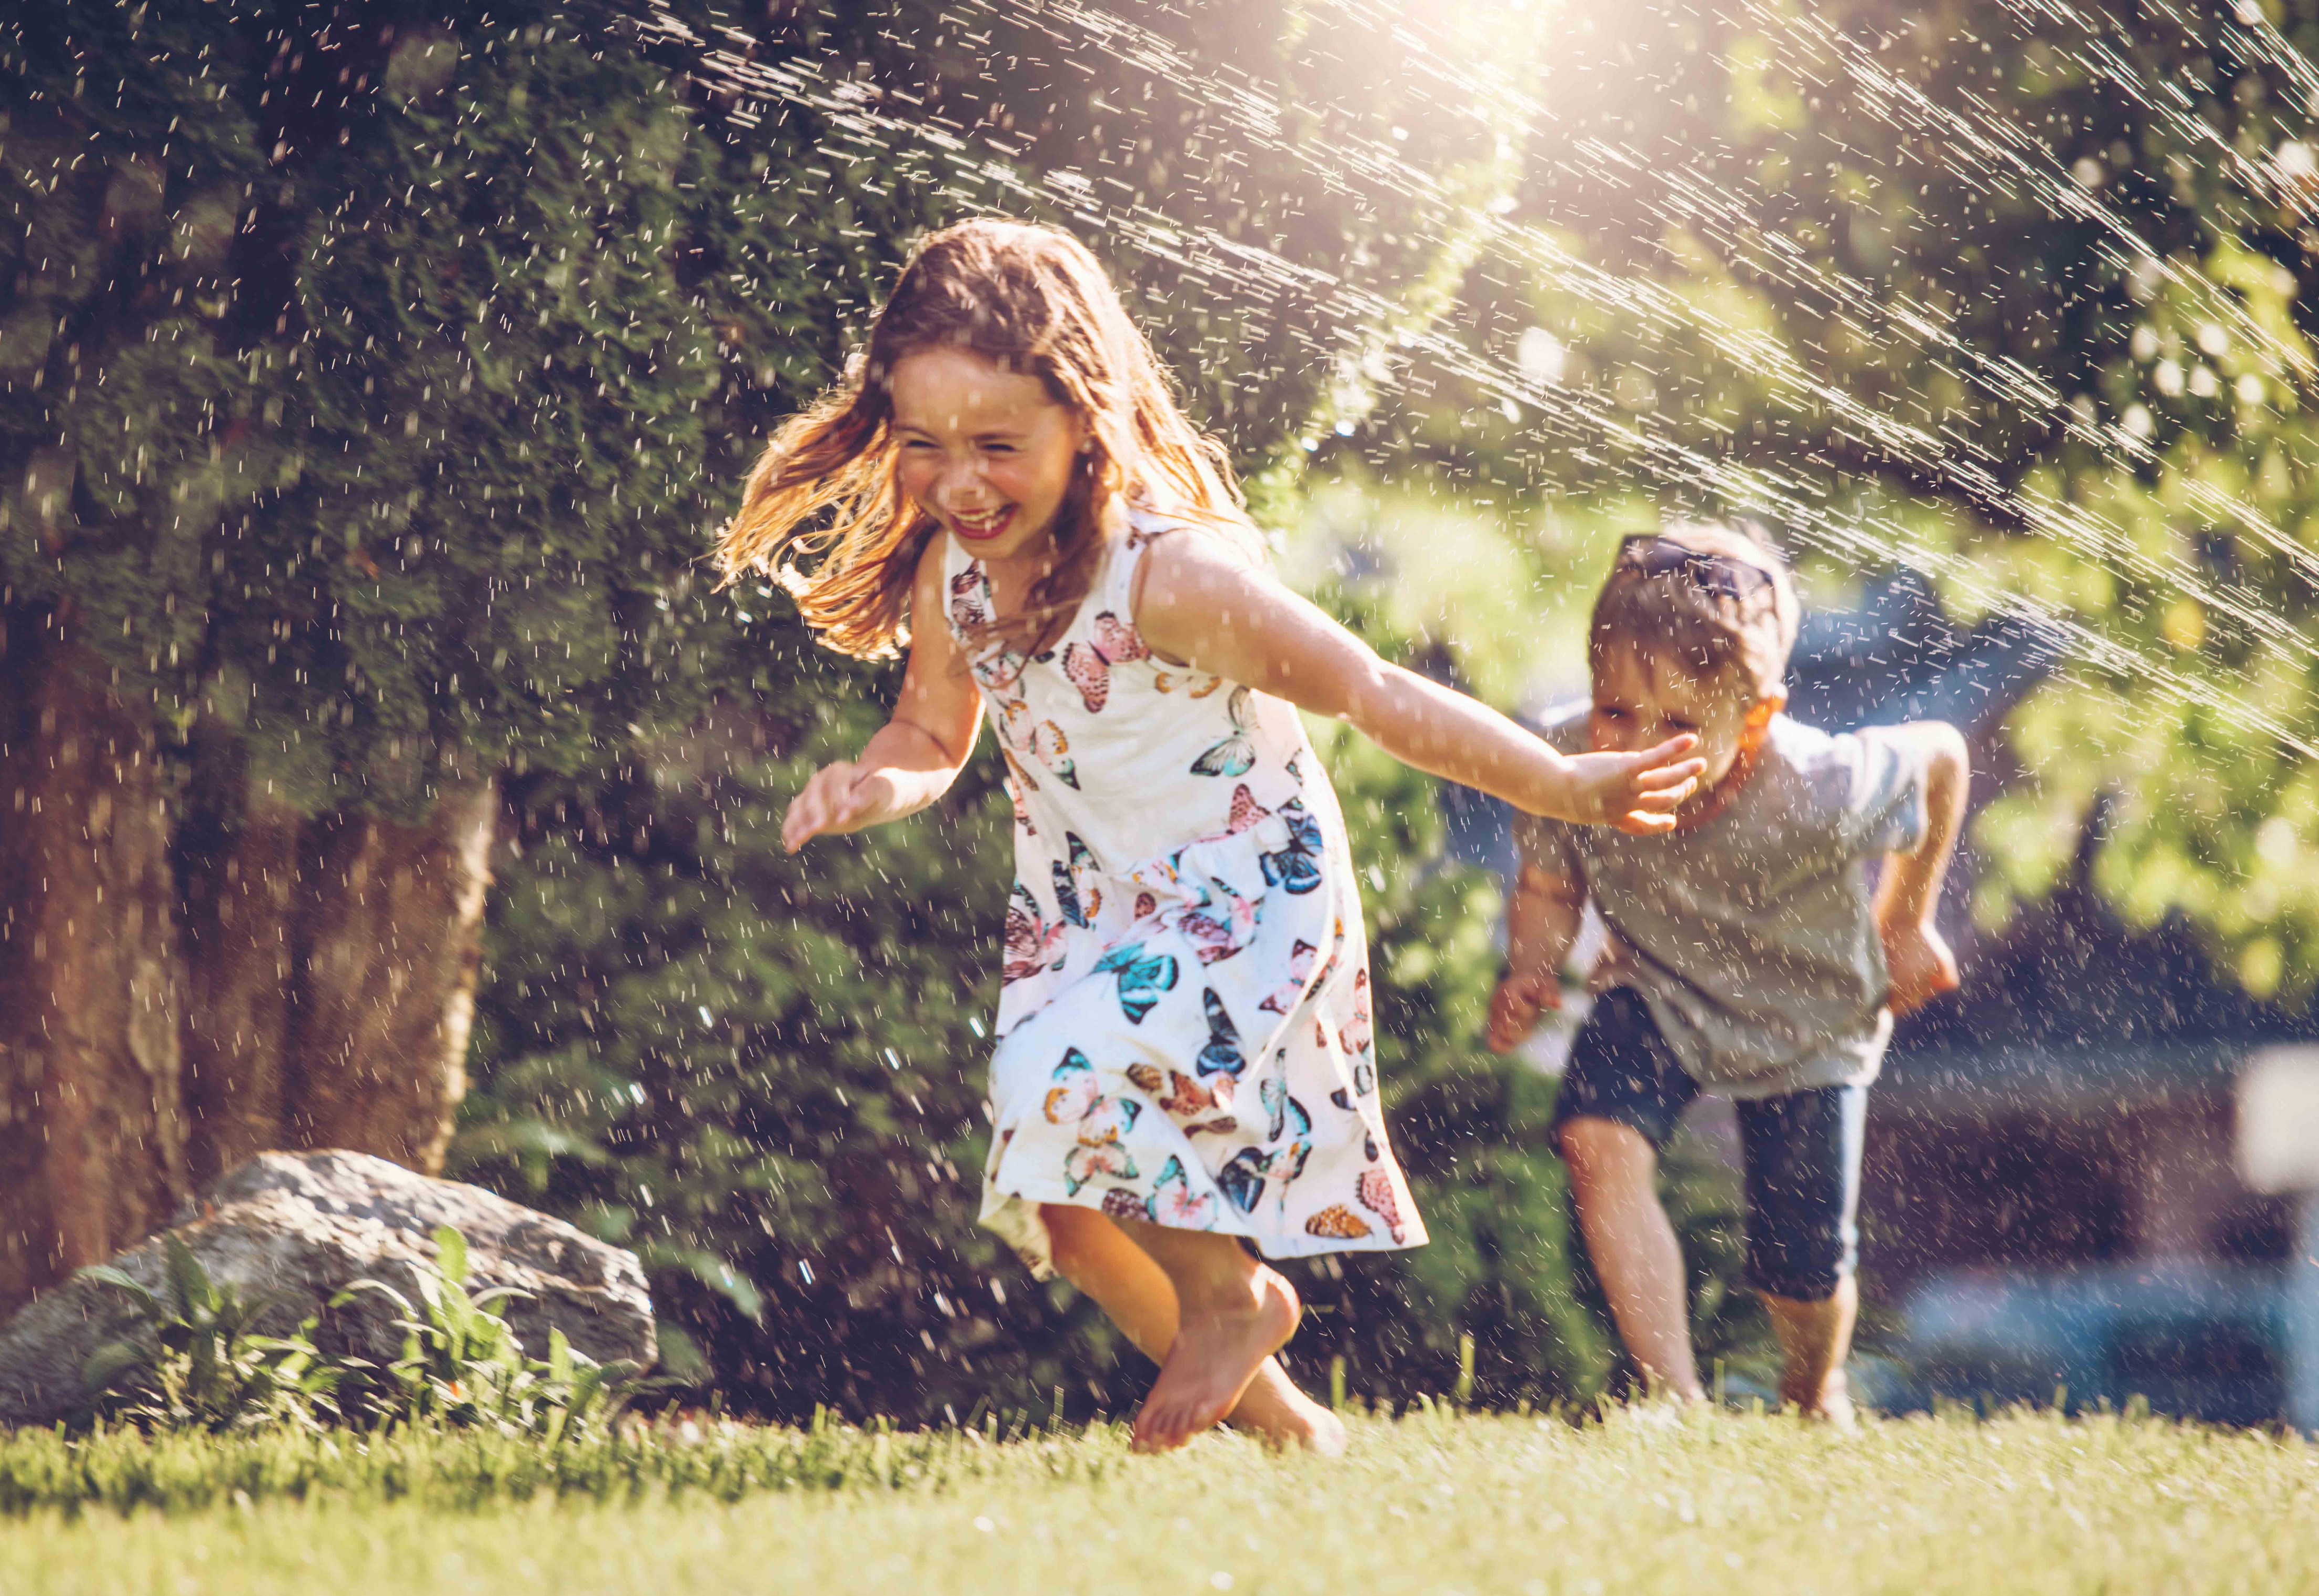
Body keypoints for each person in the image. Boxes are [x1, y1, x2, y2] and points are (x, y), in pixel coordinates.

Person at [720, 218, 1704, 1452]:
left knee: (1056, 1087)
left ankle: (1234, 1297)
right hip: (1091, 912)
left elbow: (1371, 690)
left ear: (1083, 419)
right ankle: (1291, 1429)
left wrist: (1561, 782)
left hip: (1241, 893)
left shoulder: (1169, 577)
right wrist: (875, 783)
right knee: (1062, 1210)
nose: (959, 482)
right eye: (923, 446)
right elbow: (928, 731)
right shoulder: (954, 579)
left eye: (996, 446)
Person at [1486, 525, 1971, 1423]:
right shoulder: (1569, 766)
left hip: (1808, 1021)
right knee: (1597, 1140)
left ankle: (1811, 1387)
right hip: (1657, 989)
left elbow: (1944, 753)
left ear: (1754, 720)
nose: (1636, 744)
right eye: (1615, 709)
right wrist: (1532, 963)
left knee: (1800, 1264)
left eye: (1677, 724)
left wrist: (1906, 922)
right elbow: (1551, 880)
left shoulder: (1825, 782)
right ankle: (1673, 1400)